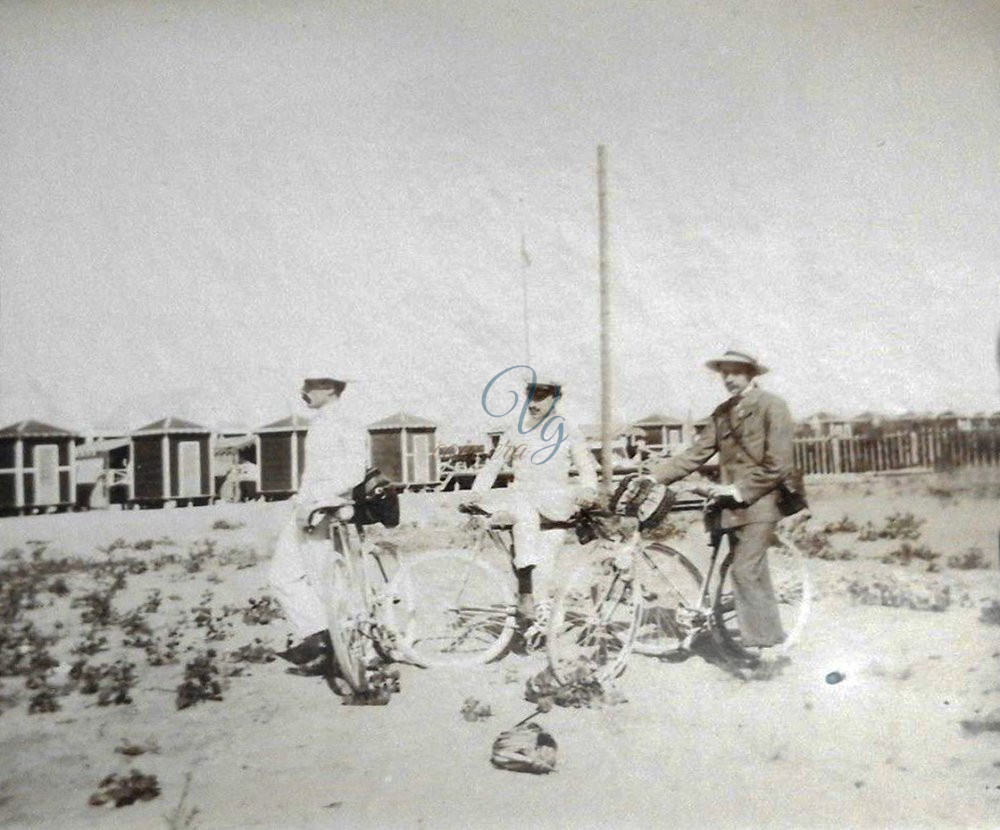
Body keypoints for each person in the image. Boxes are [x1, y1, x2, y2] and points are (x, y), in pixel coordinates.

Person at [647, 350, 795, 658]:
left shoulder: (772, 406)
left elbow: (779, 464)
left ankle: (762, 649)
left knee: (744, 570)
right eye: (724, 373)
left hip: (762, 501)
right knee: (751, 570)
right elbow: (696, 453)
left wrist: (739, 489)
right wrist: (655, 478)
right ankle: (766, 635)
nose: (728, 379)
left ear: (751, 374)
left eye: (736, 372)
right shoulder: (722, 412)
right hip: (730, 506)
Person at [465, 377, 599, 626]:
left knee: (545, 564)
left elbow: (585, 467)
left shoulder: (568, 429)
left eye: (541, 397)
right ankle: (532, 608)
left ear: (555, 399)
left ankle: (547, 621)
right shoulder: (517, 430)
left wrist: (588, 490)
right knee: (525, 551)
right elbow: (494, 465)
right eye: (530, 396)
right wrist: (477, 492)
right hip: (523, 502)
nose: (533, 403)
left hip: (555, 505)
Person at [269, 375, 367, 676]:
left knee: (329, 583)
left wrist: (318, 501)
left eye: (309, 387)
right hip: (307, 509)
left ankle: (348, 659)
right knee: (282, 576)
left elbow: (354, 472)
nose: (303, 392)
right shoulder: (320, 422)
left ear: (328, 388)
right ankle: (321, 635)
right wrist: (302, 501)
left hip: (327, 511)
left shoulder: (347, 423)